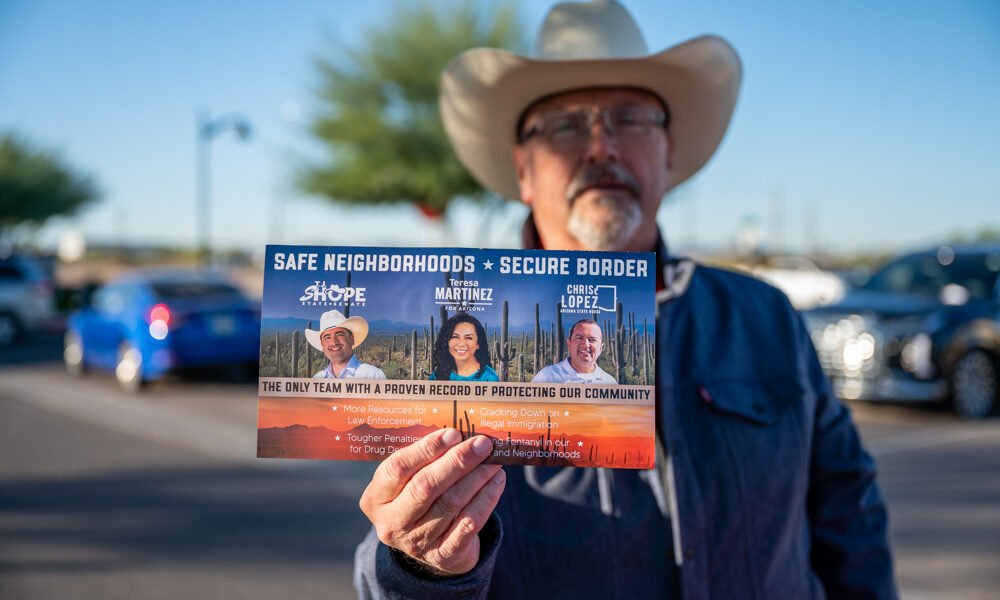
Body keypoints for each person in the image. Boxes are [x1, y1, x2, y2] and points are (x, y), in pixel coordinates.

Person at [354, 1, 896, 598]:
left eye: (631, 119)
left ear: (667, 152)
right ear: (524, 171)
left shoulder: (764, 319)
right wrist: (418, 567)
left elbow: (849, 511)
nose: (601, 146)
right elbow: (397, 556)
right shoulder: (457, 339)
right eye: (564, 125)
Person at [305, 309, 386, 380]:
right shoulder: (317, 379)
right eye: (327, 337)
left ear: (351, 338)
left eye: (340, 334)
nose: (334, 342)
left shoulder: (373, 376)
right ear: (322, 344)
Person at [532, 318, 616, 383]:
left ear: (601, 348)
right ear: (569, 343)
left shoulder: (609, 382)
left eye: (592, 340)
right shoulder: (547, 377)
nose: (586, 344)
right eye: (579, 338)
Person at [430, 313, 499, 382]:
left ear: (478, 344)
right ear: (446, 342)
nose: (461, 344)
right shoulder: (437, 375)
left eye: (468, 338)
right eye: (455, 337)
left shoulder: (490, 378)